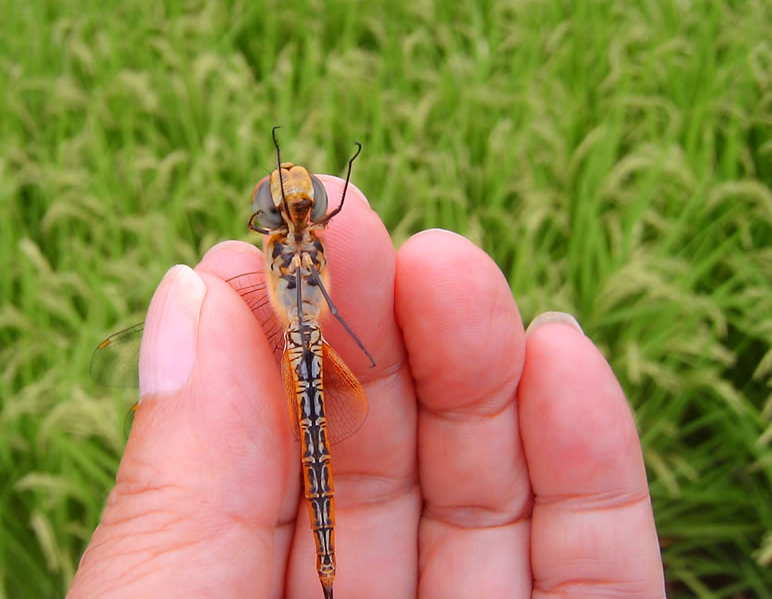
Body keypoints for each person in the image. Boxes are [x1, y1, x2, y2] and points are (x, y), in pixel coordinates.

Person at [68, 176, 665, 598]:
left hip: (306, 349)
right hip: (310, 350)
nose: (298, 213)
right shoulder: (304, 246)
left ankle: (329, 565)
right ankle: (327, 567)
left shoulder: (289, 247)